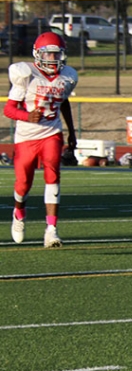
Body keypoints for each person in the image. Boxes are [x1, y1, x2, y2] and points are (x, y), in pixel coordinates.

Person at [5, 32, 78, 248]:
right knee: (23, 183)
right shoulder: (26, 74)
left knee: (53, 174)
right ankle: (19, 212)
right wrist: (27, 116)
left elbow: (64, 102)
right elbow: (9, 109)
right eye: (49, 55)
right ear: (38, 55)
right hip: (26, 136)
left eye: (57, 55)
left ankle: (51, 230)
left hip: (51, 132)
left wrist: (71, 131)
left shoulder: (67, 76)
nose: (53, 60)